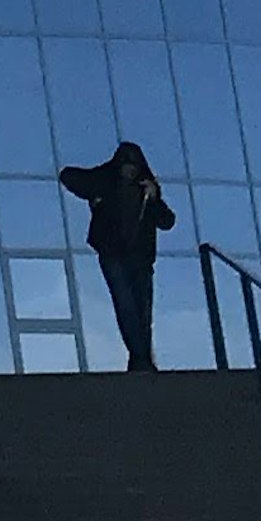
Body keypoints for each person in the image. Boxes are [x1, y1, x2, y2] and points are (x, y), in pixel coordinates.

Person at [56, 138, 175, 370]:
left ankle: (139, 360)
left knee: (141, 311)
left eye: (133, 165)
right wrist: (96, 190)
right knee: (126, 305)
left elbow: (167, 221)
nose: (129, 169)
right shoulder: (106, 182)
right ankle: (141, 359)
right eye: (125, 165)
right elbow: (68, 176)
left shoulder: (147, 191)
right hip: (114, 255)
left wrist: (154, 197)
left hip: (140, 259)